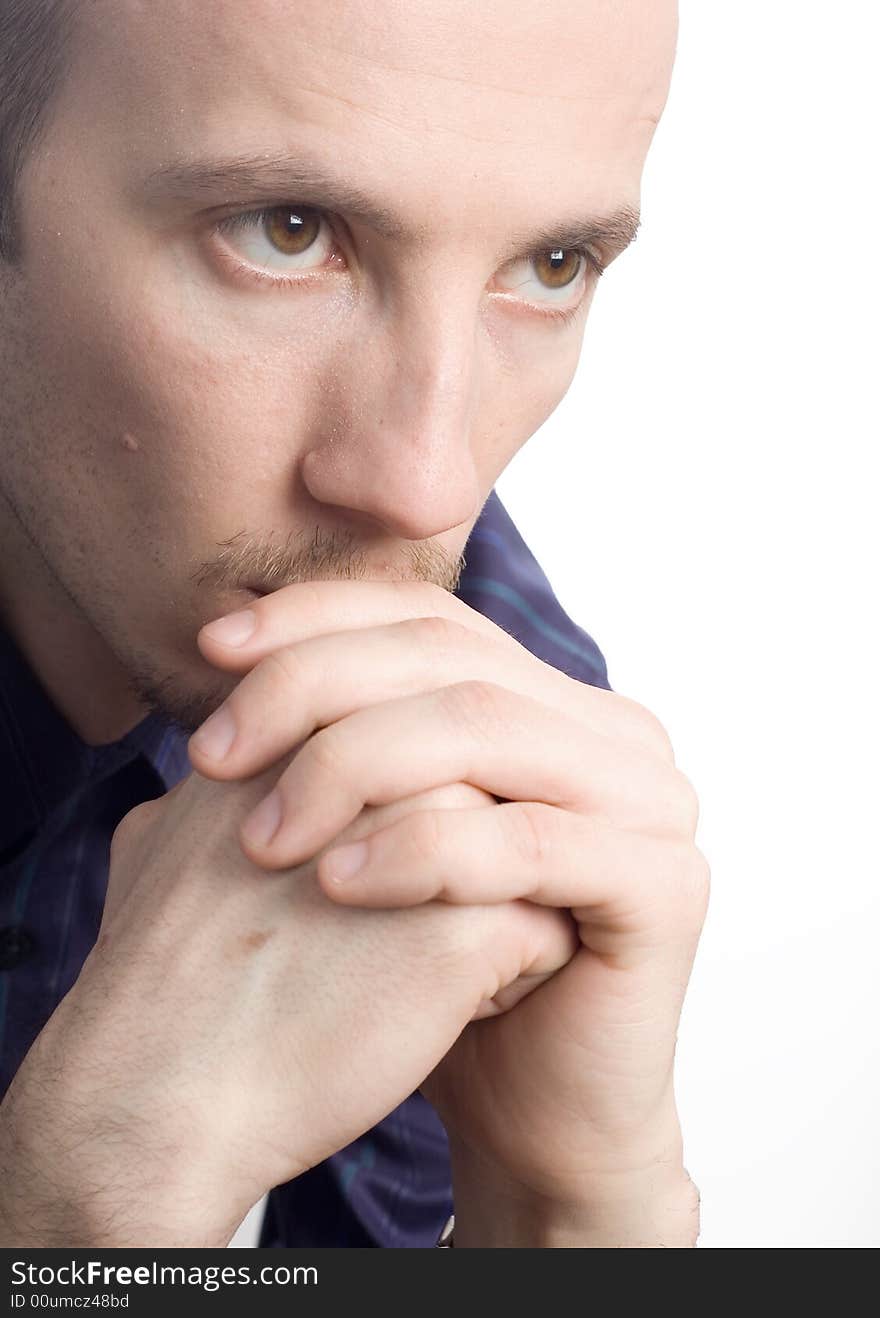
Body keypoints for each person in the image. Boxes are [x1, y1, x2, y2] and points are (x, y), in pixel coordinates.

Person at [0, 0, 708, 1248]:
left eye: (549, 267)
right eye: (286, 233)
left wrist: (567, 1209)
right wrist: (84, 1220)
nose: (427, 488)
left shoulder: (479, 723)